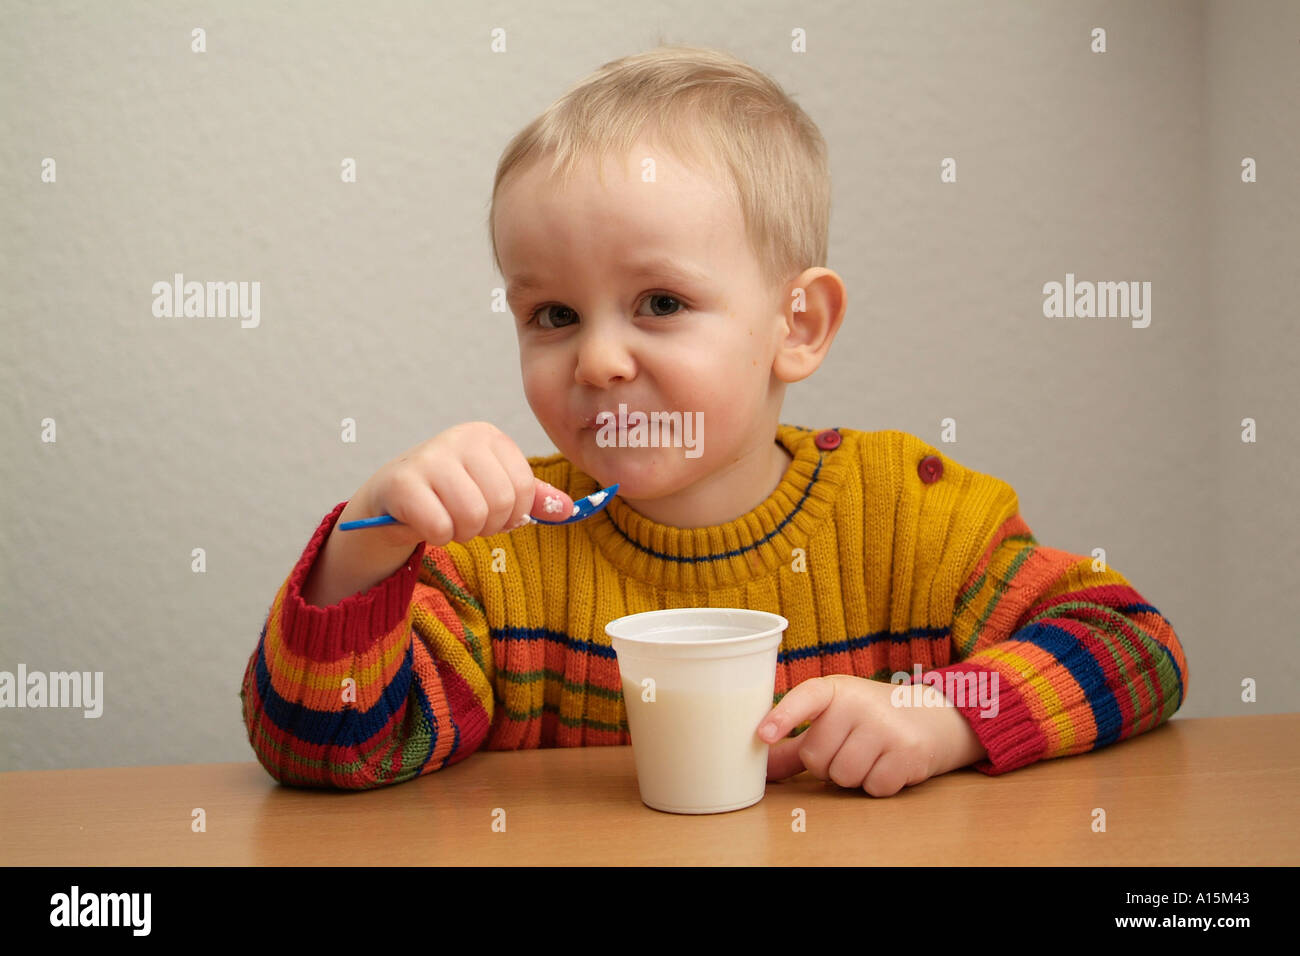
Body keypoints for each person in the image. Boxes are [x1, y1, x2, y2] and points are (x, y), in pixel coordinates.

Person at [240, 45, 1188, 796]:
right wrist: (365, 546)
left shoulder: (912, 518)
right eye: (554, 316)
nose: (598, 359)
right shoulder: (498, 558)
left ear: (797, 325)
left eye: (658, 303)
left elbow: (1134, 645)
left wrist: (946, 716)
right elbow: (327, 755)